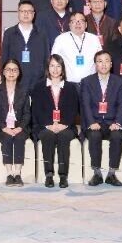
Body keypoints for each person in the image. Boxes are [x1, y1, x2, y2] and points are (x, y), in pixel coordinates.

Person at [31, 55, 80, 188]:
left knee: (64, 136)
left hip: (66, 126)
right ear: (48, 68)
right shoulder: (39, 87)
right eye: (52, 65)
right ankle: (49, 174)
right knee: (48, 135)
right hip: (45, 126)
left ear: (62, 69)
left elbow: (73, 109)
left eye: (58, 66)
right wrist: (49, 125)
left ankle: (63, 176)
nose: (55, 69)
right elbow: (37, 110)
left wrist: (63, 124)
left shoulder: (70, 87)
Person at [79, 50, 122, 186]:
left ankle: (111, 174)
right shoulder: (87, 82)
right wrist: (91, 122)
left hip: (112, 122)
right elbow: (85, 105)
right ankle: (97, 174)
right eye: (100, 61)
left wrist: (117, 122)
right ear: (95, 64)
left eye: (107, 61)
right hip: (94, 122)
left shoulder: (119, 82)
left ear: (111, 64)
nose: (103, 64)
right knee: (94, 135)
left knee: (117, 136)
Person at [0, 60, 31, 187]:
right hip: (1, 127)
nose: (11, 72)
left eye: (15, 70)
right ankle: (9, 174)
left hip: (20, 127)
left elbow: (27, 113)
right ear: (3, 72)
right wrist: (4, 127)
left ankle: (17, 174)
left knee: (19, 138)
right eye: (8, 69)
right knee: (7, 138)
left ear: (19, 73)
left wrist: (20, 127)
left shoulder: (24, 90)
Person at [2, 0, 50, 91]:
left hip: (38, 83)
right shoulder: (9, 33)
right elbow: (4, 58)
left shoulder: (42, 34)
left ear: (34, 14)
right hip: (15, 82)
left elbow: (47, 58)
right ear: (18, 13)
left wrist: (46, 79)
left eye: (29, 11)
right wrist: (4, 80)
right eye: (23, 11)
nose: (26, 14)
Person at [50, 12, 103, 83]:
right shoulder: (61, 39)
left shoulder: (94, 39)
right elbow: (53, 61)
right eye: (74, 21)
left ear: (86, 24)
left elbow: (100, 60)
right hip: (69, 84)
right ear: (69, 24)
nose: (78, 23)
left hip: (90, 84)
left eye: (81, 21)